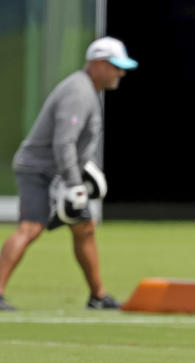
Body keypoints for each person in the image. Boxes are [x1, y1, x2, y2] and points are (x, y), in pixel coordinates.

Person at [0, 36, 138, 311]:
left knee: (84, 227)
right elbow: (64, 142)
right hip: (40, 171)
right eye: (114, 66)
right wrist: (76, 184)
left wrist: (83, 172)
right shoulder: (79, 91)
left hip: (62, 174)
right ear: (97, 63)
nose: (120, 73)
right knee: (31, 227)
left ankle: (98, 296)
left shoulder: (89, 89)